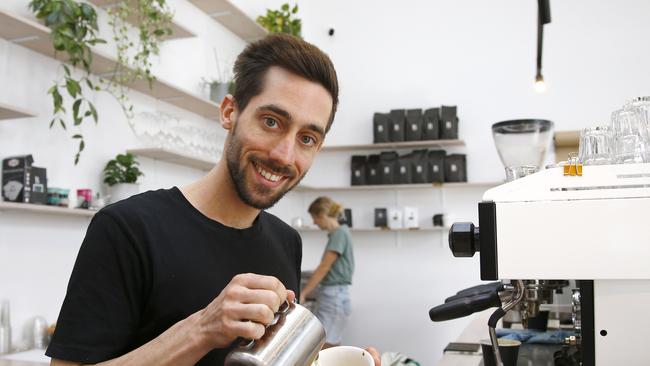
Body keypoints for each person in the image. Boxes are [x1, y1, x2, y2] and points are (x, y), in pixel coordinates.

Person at [46, 34, 380, 366]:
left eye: (306, 138)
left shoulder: (286, 241)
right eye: (271, 121)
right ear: (229, 112)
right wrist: (202, 329)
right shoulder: (128, 228)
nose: (284, 155)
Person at [300, 197, 354, 348]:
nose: (314, 223)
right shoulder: (341, 233)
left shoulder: (339, 234)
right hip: (338, 296)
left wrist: (304, 293)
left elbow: (324, 267)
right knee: (332, 342)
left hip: (333, 297)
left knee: (323, 345)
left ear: (322, 215)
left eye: (314, 218)